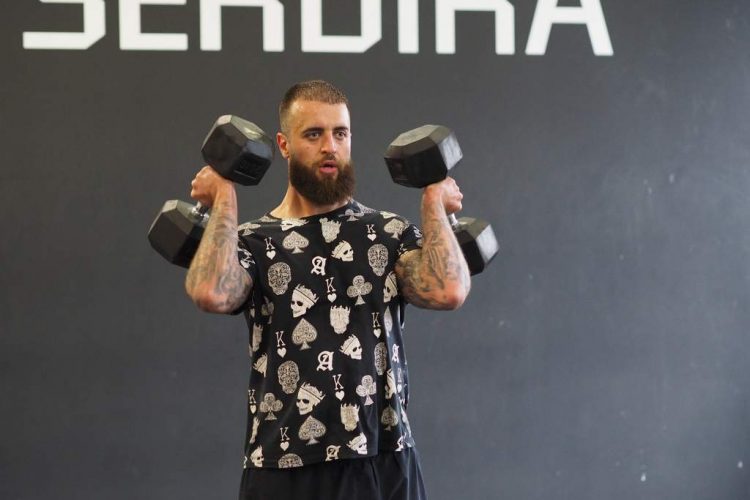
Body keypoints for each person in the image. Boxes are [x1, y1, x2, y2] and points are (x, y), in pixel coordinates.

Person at [185, 80, 471, 500]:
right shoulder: (253, 242)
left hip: (382, 457)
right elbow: (210, 291)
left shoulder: (388, 234)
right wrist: (224, 198)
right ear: (284, 145)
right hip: (283, 463)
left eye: (340, 133)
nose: (330, 147)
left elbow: (448, 291)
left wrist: (433, 205)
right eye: (313, 134)